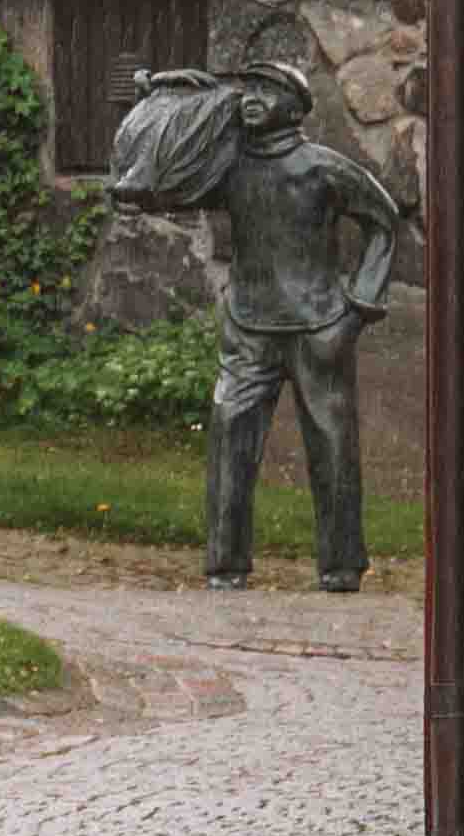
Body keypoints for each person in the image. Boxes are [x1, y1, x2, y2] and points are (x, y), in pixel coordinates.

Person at [109, 38, 403, 591]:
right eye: (249, 87)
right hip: (249, 327)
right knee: (229, 437)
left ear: (295, 107)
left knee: (333, 446)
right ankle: (225, 563)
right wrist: (151, 119)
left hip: (319, 327)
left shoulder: (323, 168)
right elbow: (173, 185)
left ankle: (341, 565)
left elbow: (384, 221)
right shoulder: (229, 169)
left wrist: (358, 309)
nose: (252, 97)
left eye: (268, 89)